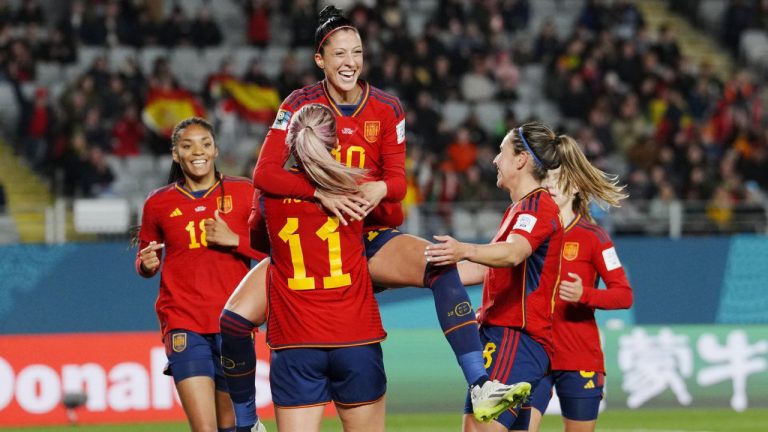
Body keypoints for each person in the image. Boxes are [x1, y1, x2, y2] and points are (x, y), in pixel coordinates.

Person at [219, 5, 528, 428]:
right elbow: (264, 174)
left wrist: (380, 187)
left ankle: (480, 383)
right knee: (234, 319)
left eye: (357, 53)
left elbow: (398, 186)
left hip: (368, 237)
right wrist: (322, 194)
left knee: (441, 265)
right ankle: (245, 422)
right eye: (340, 54)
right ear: (320, 60)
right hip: (313, 236)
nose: (350, 63)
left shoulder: (386, 107)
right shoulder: (300, 104)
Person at [424, 122, 586, 431]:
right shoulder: (520, 209)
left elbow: (513, 253)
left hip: (515, 337)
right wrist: (424, 273)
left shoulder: (538, 207)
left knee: (478, 428)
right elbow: (490, 267)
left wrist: (464, 248)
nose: (495, 160)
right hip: (508, 338)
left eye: (502, 151)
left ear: (521, 160)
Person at [249, 103, 387, 432]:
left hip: (295, 341)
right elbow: (392, 219)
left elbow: (257, 242)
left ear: (291, 144)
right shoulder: (356, 187)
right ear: (336, 144)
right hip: (355, 336)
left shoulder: (268, 197)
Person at [134, 117, 266, 432]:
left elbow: (275, 253)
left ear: (216, 150)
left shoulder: (244, 192)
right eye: (188, 145)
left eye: (205, 143)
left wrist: (233, 240)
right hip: (183, 321)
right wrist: (146, 265)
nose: (198, 151)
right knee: (204, 428)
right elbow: (144, 260)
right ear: (175, 154)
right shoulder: (158, 202)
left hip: (233, 323)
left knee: (229, 427)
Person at [528, 149, 633, 432]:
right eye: (545, 178)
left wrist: (584, 294)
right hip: (534, 353)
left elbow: (624, 295)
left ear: (574, 187)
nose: (549, 184)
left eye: (558, 178)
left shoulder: (594, 237)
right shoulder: (529, 233)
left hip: (578, 356)